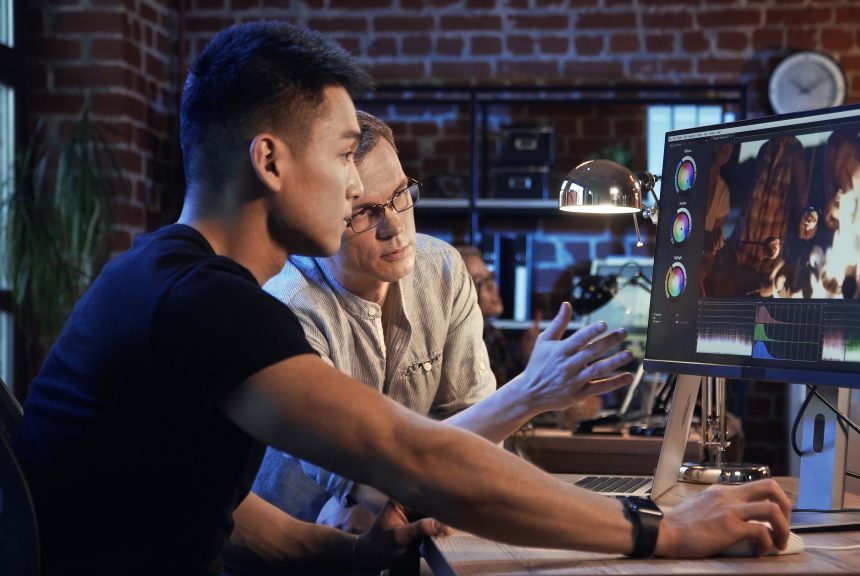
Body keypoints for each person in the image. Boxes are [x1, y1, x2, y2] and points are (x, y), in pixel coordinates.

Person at [13, 21, 792, 576]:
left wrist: (351, 556)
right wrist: (664, 532)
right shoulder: (204, 301)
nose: (360, 187)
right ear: (270, 160)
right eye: (347, 153)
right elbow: (414, 455)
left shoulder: (154, 272)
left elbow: (217, 512)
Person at [250, 110, 631, 536]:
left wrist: (398, 495)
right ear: (317, 211)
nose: (394, 227)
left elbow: (479, 443)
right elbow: (365, 480)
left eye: (400, 196)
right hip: (298, 552)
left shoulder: (442, 269)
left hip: (404, 536)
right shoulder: (283, 304)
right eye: (365, 212)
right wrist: (527, 393)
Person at [455, 244, 539, 387]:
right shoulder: (461, 346)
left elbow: (513, 387)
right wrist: (532, 358)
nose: (493, 287)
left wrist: (527, 354)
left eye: (491, 278)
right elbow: (508, 400)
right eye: (480, 282)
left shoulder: (491, 333)